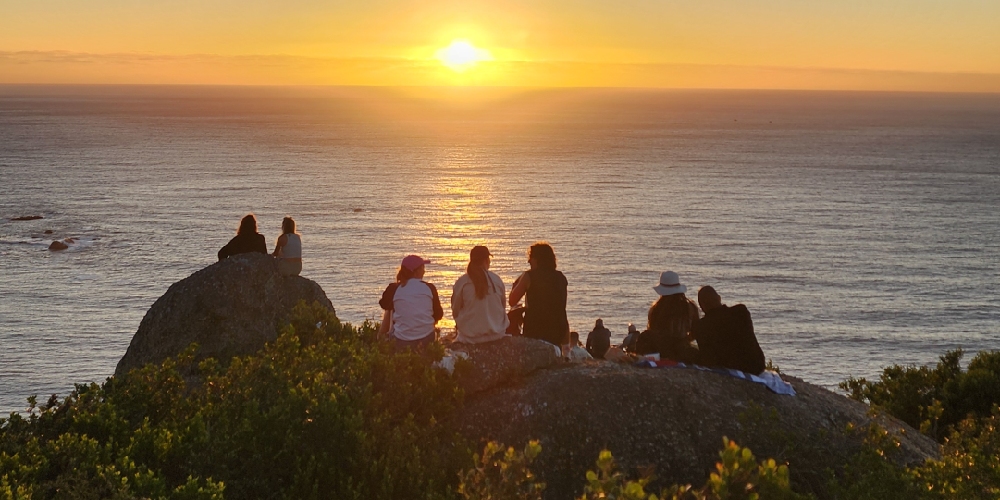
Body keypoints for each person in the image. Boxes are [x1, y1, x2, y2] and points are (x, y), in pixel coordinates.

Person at [691, 286, 766, 374]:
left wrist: (695, 323)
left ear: (702, 306)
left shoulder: (701, 326)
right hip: (757, 365)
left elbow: (707, 358)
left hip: (734, 367)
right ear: (719, 298)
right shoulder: (741, 311)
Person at [509, 242, 569, 352]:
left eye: (530, 258)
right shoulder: (561, 277)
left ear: (537, 259)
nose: (528, 261)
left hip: (535, 330)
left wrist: (518, 282)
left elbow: (512, 300)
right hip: (558, 330)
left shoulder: (529, 276)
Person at [378, 255, 444, 352]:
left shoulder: (394, 288)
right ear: (417, 271)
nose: (424, 271)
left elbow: (383, 304)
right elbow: (438, 314)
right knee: (392, 307)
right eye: (422, 268)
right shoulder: (429, 288)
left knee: (390, 309)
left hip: (401, 341)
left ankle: (380, 338)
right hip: (426, 339)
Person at [635, 271, 700, 363]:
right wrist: (685, 339)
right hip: (681, 349)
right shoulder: (690, 307)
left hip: (661, 349)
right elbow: (696, 331)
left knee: (644, 336)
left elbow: (652, 329)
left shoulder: (657, 309)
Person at [452, 245, 509, 344]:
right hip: (497, 334)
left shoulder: (462, 282)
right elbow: (503, 305)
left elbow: (455, 310)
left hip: (470, 337)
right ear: (486, 260)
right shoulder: (496, 280)